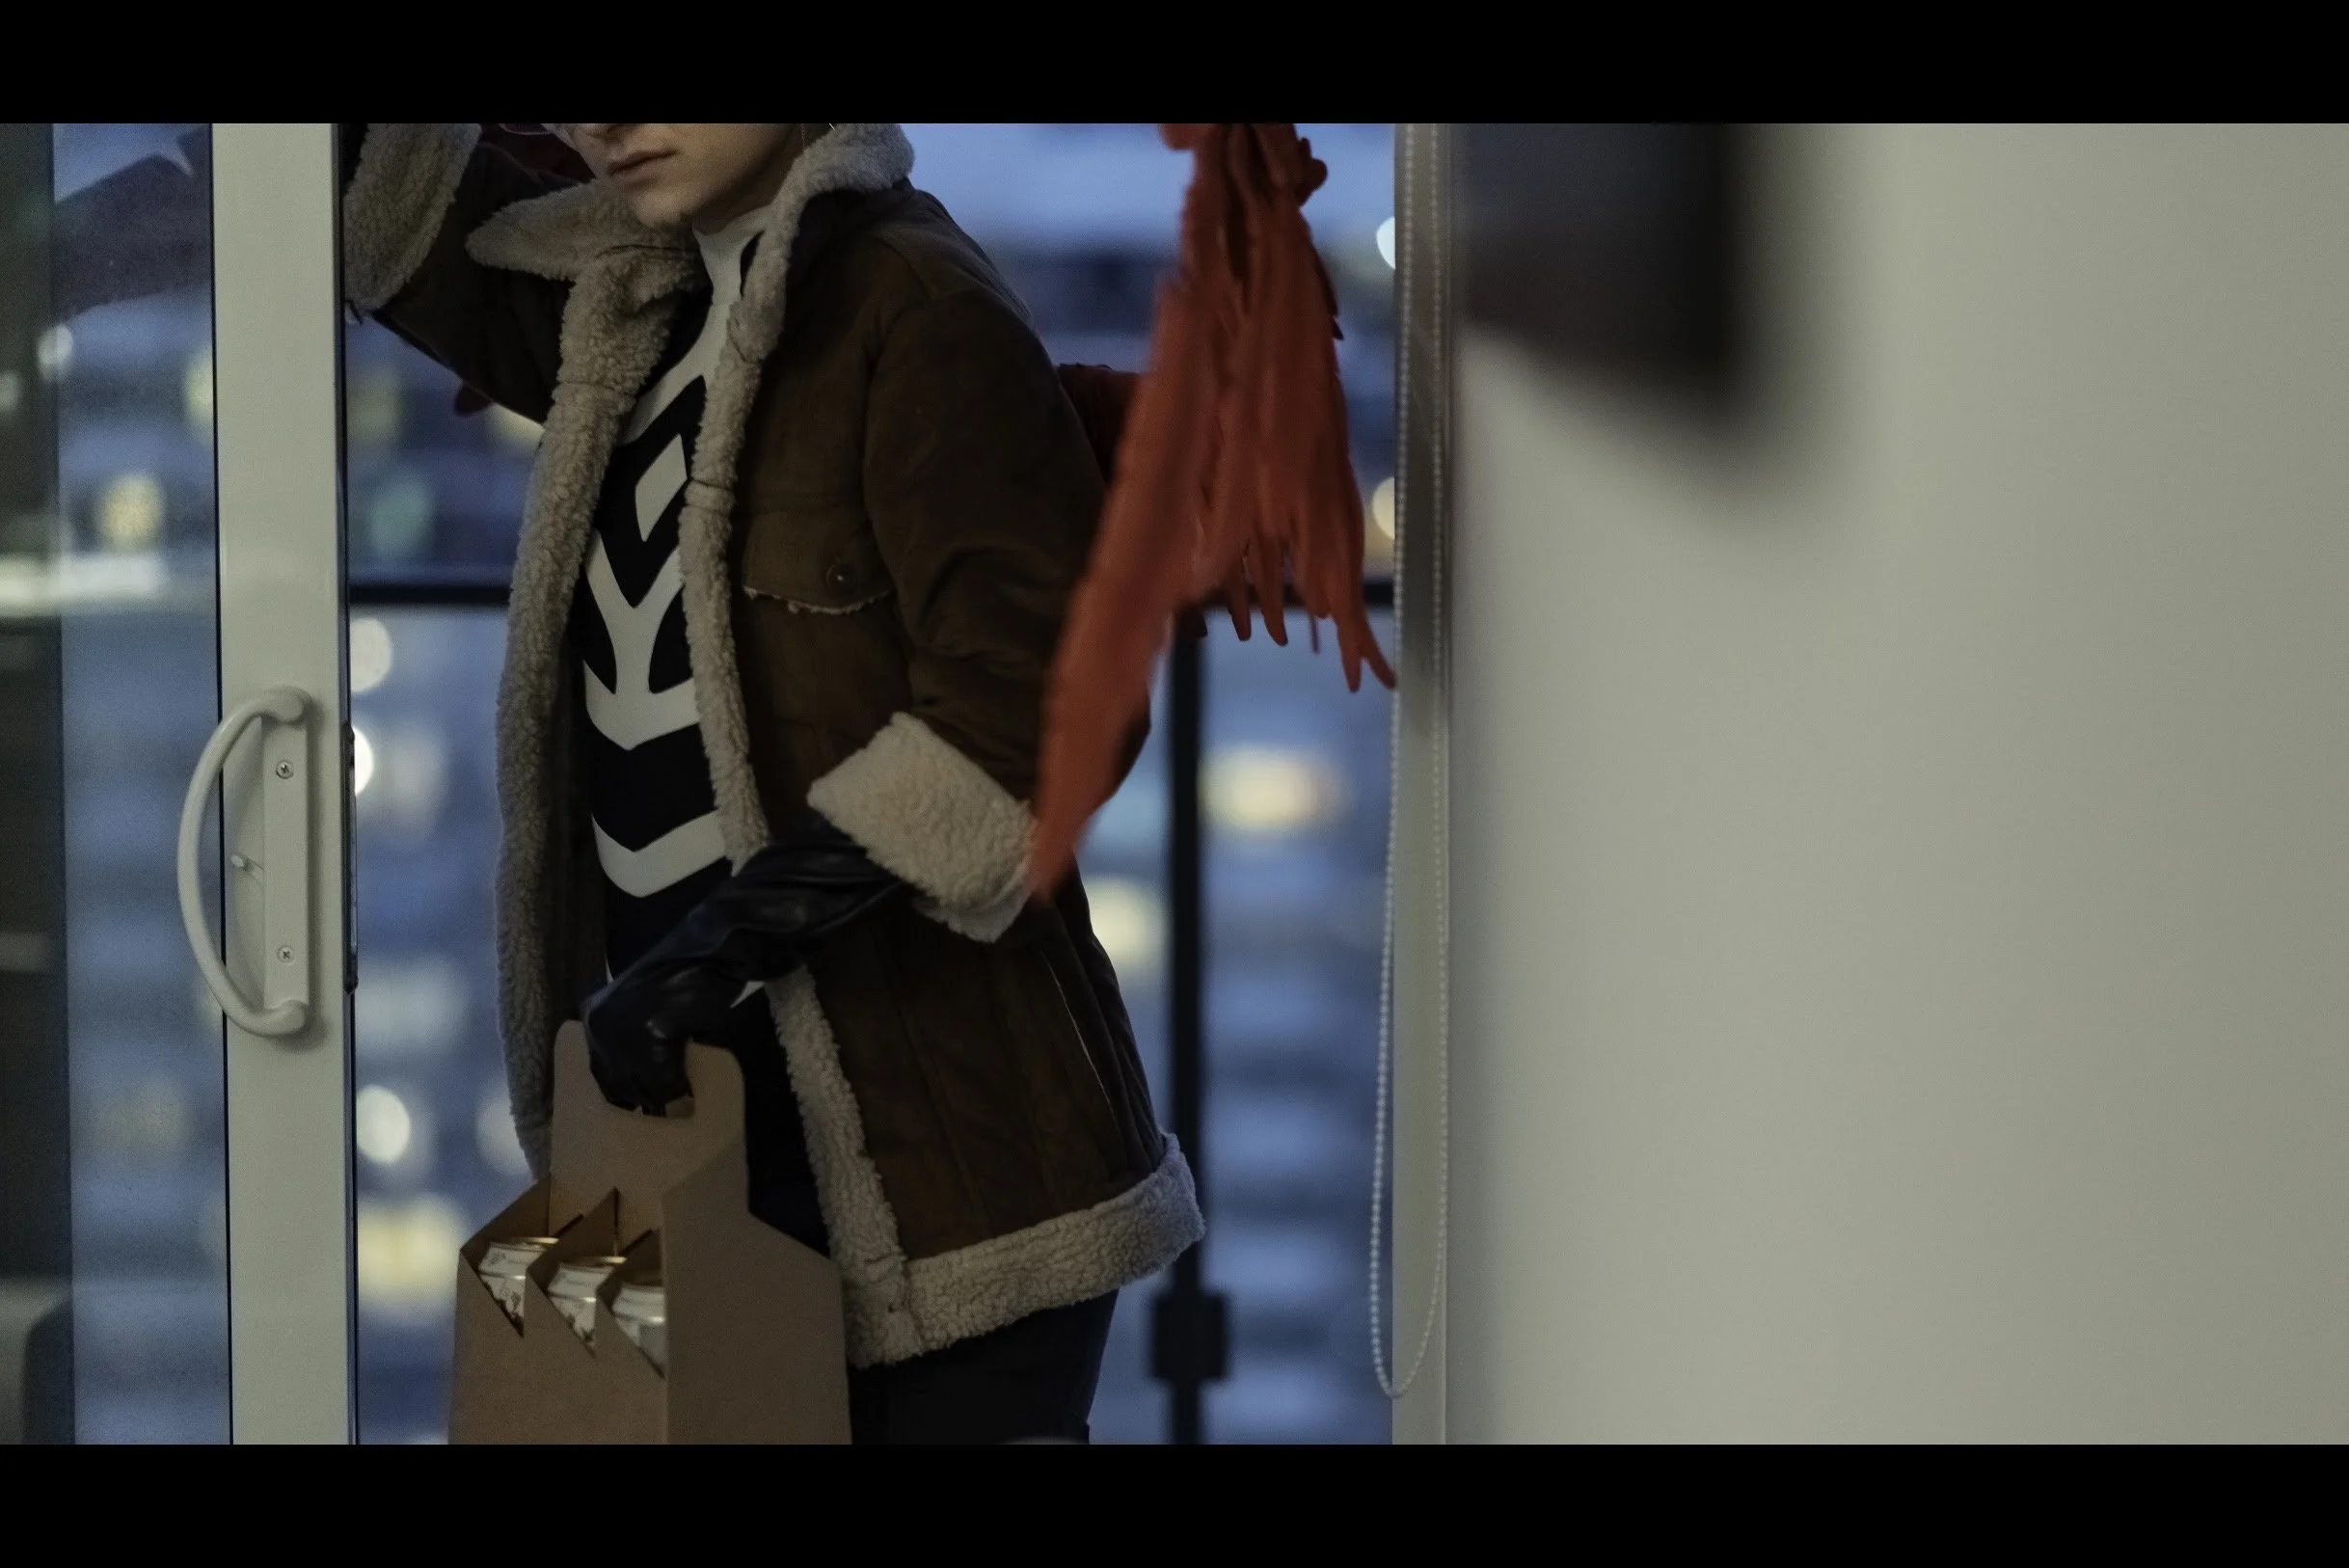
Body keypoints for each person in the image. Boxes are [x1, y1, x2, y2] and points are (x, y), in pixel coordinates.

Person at [342, 122, 1200, 1444]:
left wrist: (725, 940)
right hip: (710, 1136)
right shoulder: (636, 309)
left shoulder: (915, 302)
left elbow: (1039, 708)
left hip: (950, 1171)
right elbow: (399, 210)